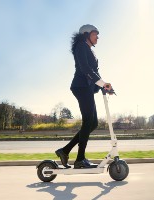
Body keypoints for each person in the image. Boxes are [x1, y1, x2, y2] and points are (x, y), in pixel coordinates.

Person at [55, 24, 113, 169]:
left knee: (93, 123)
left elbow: (95, 73)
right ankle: (80, 159)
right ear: (86, 34)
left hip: (86, 88)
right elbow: (85, 69)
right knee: (88, 121)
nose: (97, 37)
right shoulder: (81, 46)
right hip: (81, 87)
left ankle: (65, 151)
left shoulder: (89, 50)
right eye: (95, 34)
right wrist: (102, 83)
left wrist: (105, 86)